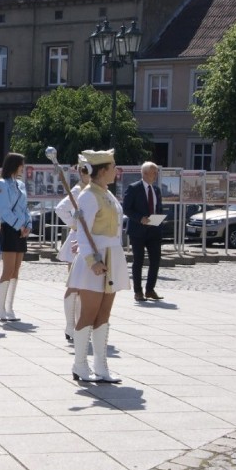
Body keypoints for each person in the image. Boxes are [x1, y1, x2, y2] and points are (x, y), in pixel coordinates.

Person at [66, 149, 129, 383]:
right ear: (103, 170)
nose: (116, 170)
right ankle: (80, 365)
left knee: (103, 315)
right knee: (89, 314)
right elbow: (82, 231)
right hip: (94, 260)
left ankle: (101, 367)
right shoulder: (88, 195)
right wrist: (92, 260)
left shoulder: (107, 194)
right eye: (113, 166)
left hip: (111, 257)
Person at [54, 160, 91, 341]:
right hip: (78, 239)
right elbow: (60, 208)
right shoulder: (77, 190)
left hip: (92, 239)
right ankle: (71, 325)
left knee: (86, 286)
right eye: (85, 171)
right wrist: (74, 224)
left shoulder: (93, 190)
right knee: (74, 285)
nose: (88, 174)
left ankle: (80, 323)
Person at [0, 152, 31, 322]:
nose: (22, 168)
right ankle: (0, 307)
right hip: (10, 228)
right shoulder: (1, 183)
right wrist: (19, 225)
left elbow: (25, 207)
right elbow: (4, 209)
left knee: (16, 270)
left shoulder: (21, 184)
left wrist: (28, 225)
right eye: (21, 164)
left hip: (21, 230)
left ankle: (9, 306)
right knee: (8, 270)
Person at [123, 161, 163, 302]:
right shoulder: (134, 188)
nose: (156, 175)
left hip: (154, 231)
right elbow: (126, 208)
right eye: (154, 172)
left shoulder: (156, 190)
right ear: (145, 173)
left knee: (155, 261)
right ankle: (138, 291)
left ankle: (150, 290)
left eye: (156, 172)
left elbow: (159, 208)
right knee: (138, 261)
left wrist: (159, 218)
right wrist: (140, 218)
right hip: (137, 231)